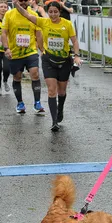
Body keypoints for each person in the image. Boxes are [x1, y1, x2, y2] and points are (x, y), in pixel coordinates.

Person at [13, 0, 81, 131]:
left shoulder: (67, 24)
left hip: (64, 61)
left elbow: (74, 40)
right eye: (50, 12)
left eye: (55, 12)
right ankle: (54, 121)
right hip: (48, 60)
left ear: (59, 12)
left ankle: (60, 109)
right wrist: (16, 4)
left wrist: (76, 55)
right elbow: (27, 15)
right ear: (47, 12)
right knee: (51, 91)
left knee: (61, 91)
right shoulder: (43, 22)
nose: (53, 14)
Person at [1, 0, 45, 114]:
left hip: (30, 51)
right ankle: (20, 103)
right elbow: (4, 32)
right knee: (17, 77)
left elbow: (39, 33)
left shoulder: (33, 14)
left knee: (35, 73)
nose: (23, 2)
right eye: (20, 0)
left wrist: (42, 49)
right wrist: (7, 48)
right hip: (15, 53)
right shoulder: (9, 14)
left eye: (25, 0)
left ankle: (37, 102)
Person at [0, 0, 10, 94]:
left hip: (7, 48)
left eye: (5, 7)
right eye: (1, 7)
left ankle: (5, 81)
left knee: (7, 68)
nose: (3, 8)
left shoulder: (9, 19)